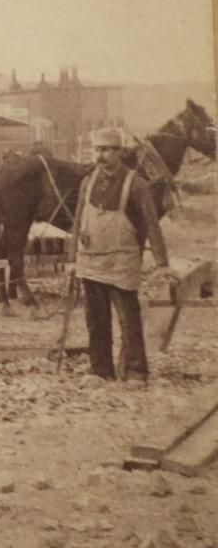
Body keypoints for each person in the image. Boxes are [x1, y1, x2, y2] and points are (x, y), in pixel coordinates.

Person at [70, 128, 178, 383]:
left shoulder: (136, 184)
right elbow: (77, 221)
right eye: (97, 150)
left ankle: (136, 370)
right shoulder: (88, 183)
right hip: (91, 260)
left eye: (107, 150)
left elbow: (152, 224)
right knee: (96, 319)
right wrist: (70, 258)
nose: (101, 155)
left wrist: (162, 264)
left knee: (128, 318)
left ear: (119, 152)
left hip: (122, 262)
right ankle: (100, 370)